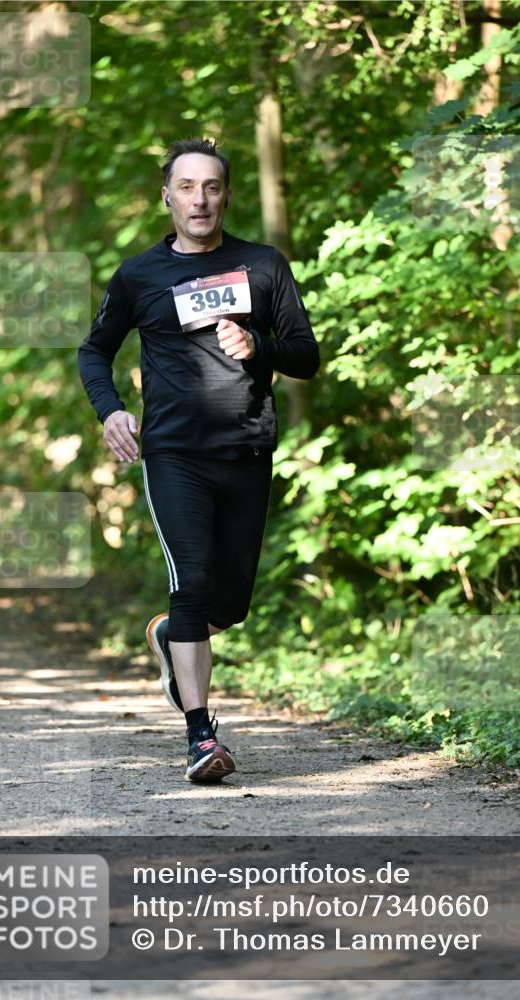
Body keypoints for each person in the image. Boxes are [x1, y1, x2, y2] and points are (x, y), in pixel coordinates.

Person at [77, 137, 320, 784]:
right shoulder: (137, 275)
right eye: (186, 187)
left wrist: (258, 344)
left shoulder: (263, 266)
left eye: (211, 187)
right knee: (189, 583)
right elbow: (93, 351)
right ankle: (200, 736)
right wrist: (111, 410)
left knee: (229, 602)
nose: (199, 199)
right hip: (173, 452)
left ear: (226, 196)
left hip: (245, 447)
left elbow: (305, 355)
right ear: (167, 197)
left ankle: (169, 637)